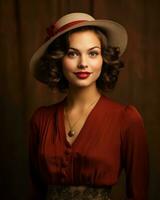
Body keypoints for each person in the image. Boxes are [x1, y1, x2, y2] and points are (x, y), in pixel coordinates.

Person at [29, 13, 149, 200]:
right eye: (72, 53)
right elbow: (35, 191)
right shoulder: (41, 119)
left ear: (104, 58)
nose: (83, 63)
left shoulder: (127, 119)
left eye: (93, 53)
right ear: (58, 60)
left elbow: (138, 193)